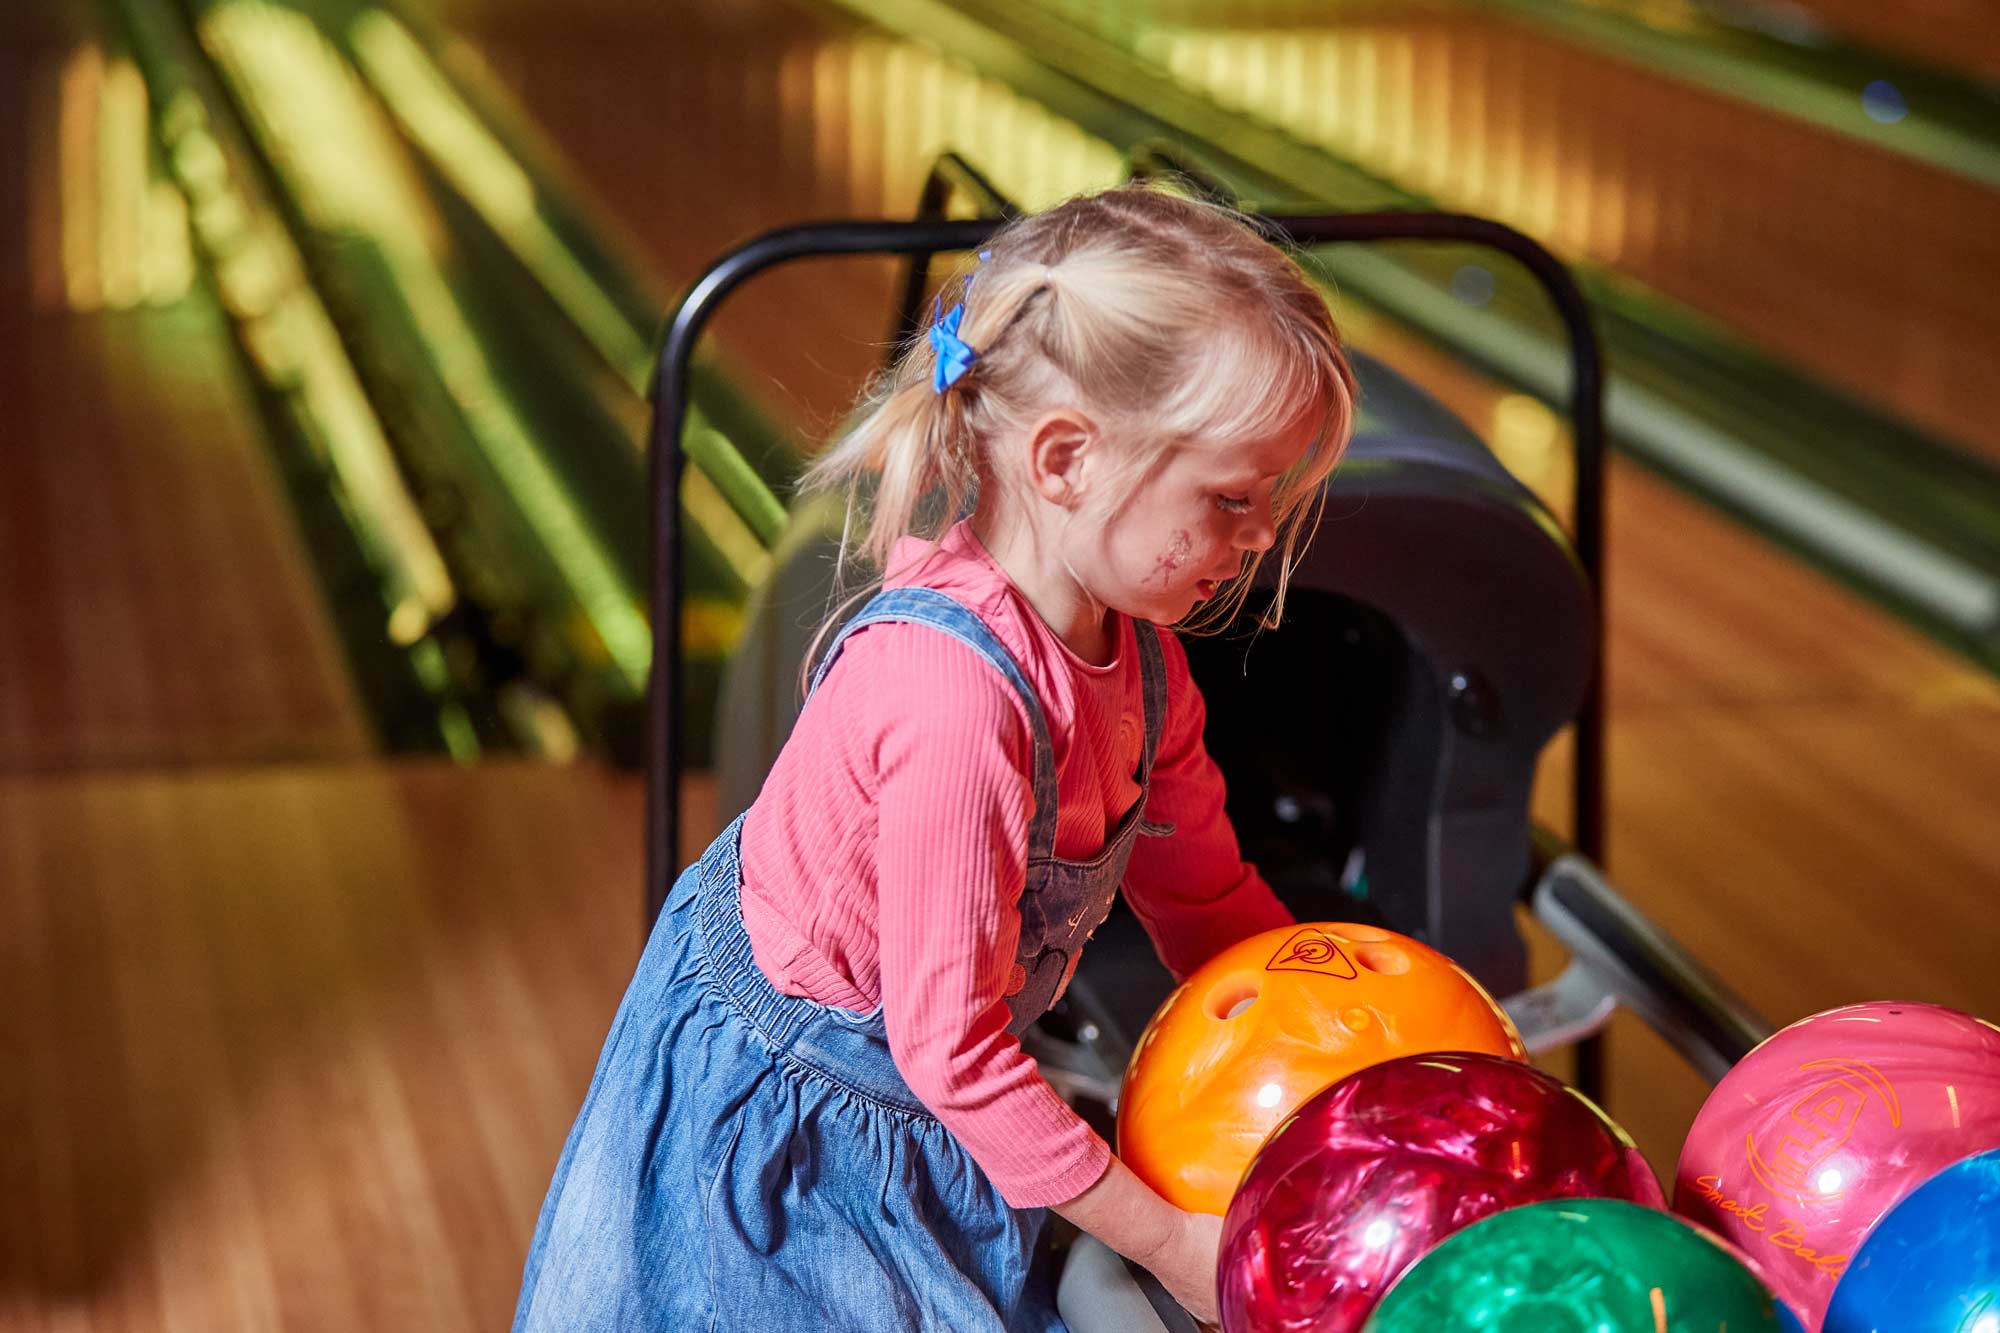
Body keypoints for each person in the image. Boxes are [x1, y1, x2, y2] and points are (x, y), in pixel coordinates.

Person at [514, 183, 1359, 1331]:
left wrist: (1351, 1053)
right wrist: (1167, 1242)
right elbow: (953, 1056)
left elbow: (1209, 906)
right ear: (1064, 459)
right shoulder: (949, 702)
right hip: (785, 1132)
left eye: (1271, 502)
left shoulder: (1146, 670)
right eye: (1231, 498)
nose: (1260, 536)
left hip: (931, 1092)